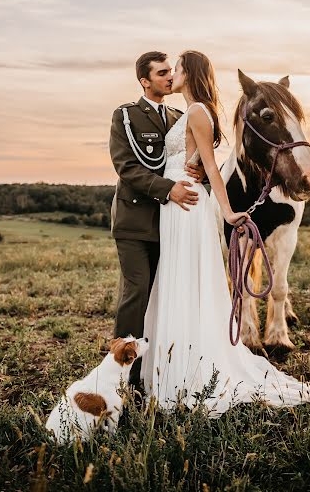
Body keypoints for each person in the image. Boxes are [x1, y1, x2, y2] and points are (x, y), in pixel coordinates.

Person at [141, 50, 310, 414]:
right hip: (176, 201)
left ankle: (198, 356)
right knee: (178, 278)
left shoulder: (196, 111)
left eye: (175, 69)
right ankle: (181, 352)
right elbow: (205, 164)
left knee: (184, 277)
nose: (170, 74)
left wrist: (224, 209)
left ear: (188, 73)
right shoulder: (185, 111)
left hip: (186, 203)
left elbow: (206, 161)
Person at [109, 51, 205, 388]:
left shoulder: (181, 116)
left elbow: (192, 160)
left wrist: (200, 171)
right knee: (136, 294)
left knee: (165, 297)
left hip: (172, 224)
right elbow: (127, 167)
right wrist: (169, 190)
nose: (169, 77)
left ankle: (159, 373)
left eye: (171, 71)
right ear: (145, 81)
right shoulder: (126, 116)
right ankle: (122, 377)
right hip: (136, 222)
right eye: (161, 73)